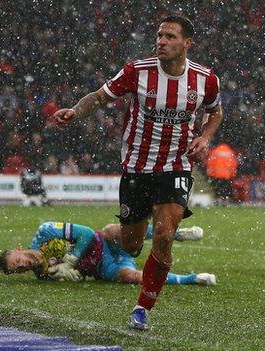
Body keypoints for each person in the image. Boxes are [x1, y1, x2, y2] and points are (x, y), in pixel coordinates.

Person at [52, 14, 222, 330]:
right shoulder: (137, 71)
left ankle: (142, 308)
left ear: (187, 43)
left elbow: (215, 111)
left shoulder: (205, 79)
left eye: (170, 36)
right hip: (136, 167)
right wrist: (76, 110)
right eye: (160, 35)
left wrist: (206, 137)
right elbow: (100, 96)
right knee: (131, 245)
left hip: (176, 166)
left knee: (164, 235)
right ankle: (129, 230)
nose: (162, 41)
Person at [0, 221, 213, 286]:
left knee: (114, 230)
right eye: (18, 269)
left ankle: (177, 234)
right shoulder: (44, 274)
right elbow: (80, 278)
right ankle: (190, 279)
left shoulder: (46, 231)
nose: (22, 265)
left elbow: (88, 233)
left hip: (106, 244)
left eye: (18, 260)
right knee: (132, 278)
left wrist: (71, 261)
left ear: (18, 249)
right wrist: (74, 276)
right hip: (103, 268)